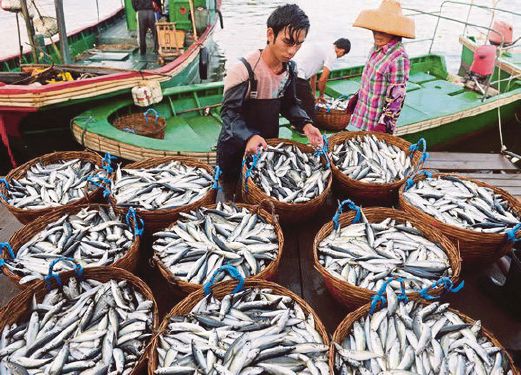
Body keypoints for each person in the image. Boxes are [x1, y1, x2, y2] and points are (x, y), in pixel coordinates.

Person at [216, 4, 323, 196]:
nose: (292, 50)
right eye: (288, 42)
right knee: (231, 192)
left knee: (261, 191)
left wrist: (305, 124)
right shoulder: (244, 70)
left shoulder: (290, 69)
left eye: (299, 44)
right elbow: (229, 114)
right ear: (270, 34)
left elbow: (289, 103)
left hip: (266, 144)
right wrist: (248, 136)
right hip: (235, 146)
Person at [349, 0, 415, 134]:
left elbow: (398, 95)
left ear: (395, 33)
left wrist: (384, 124)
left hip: (378, 121)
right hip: (365, 112)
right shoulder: (375, 48)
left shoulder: (399, 58)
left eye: (384, 31)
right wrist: (357, 96)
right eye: (376, 30)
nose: (378, 35)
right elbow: (370, 79)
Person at [293, 38, 351, 121]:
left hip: (290, 68)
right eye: (343, 55)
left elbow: (313, 76)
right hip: (298, 75)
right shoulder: (332, 54)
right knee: (309, 107)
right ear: (342, 51)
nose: (340, 56)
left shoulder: (324, 45)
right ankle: (302, 128)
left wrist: (313, 94)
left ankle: (296, 123)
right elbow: (323, 79)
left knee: (303, 99)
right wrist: (321, 95)